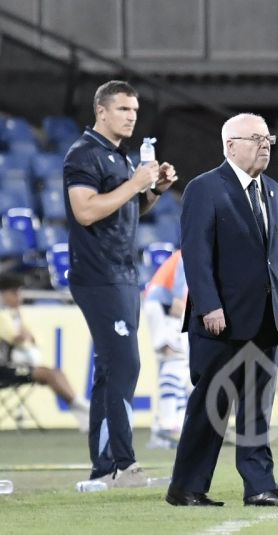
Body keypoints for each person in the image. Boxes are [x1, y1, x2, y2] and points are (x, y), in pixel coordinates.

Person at [167, 113, 278, 508]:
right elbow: (195, 254)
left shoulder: (275, 191)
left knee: (257, 409)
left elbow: (276, 255)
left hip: (265, 319)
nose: (265, 144)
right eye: (255, 138)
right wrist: (209, 306)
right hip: (220, 321)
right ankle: (186, 487)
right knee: (211, 406)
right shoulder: (204, 188)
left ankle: (260, 486)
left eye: (268, 139)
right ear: (230, 145)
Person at [64, 80, 177, 487]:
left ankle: (107, 466)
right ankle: (120, 466)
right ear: (102, 112)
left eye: (134, 109)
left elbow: (124, 208)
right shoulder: (84, 154)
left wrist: (155, 192)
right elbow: (85, 211)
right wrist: (134, 183)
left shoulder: (119, 156)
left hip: (123, 275)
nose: (131, 116)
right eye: (124, 109)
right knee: (124, 364)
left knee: (112, 369)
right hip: (99, 275)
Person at [0, 272, 89, 431]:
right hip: (4, 369)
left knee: (55, 372)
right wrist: (25, 336)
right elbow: (16, 337)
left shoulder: (15, 315)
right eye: (14, 293)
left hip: (12, 366)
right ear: (3, 295)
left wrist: (26, 335)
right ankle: (81, 408)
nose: (18, 297)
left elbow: (33, 338)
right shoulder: (3, 316)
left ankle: (80, 408)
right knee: (48, 374)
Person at [142, 250, 191, 449]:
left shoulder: (186, 251)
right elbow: (179, 299)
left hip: (157, 304)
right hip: (165, 306)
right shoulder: (191, 251)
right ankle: (169, 425)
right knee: (176, 361)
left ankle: (169, 427)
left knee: (174, 367)